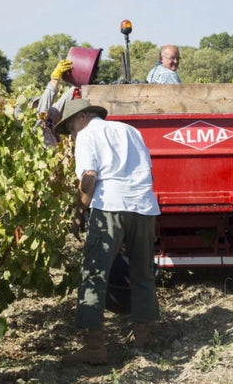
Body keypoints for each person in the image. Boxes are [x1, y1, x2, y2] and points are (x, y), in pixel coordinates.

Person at [54, 99, 161, 364]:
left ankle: (94, 346)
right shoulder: (129, 131)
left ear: (81, 118)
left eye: (71, 126)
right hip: (144, 207)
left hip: (110, 206)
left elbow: (89, 176)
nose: (73, 133)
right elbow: (149, 171)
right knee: (142, 272)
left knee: (94, 274)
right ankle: (144, 337)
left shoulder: (88, 134)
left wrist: (79, 213)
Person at [35, 59, 78, 147]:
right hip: (46, 158)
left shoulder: (50, 117)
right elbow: (43, 109)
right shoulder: (34, 125)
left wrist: (78, 84)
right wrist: (54, 79)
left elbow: (63, 101)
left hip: (56, 157)